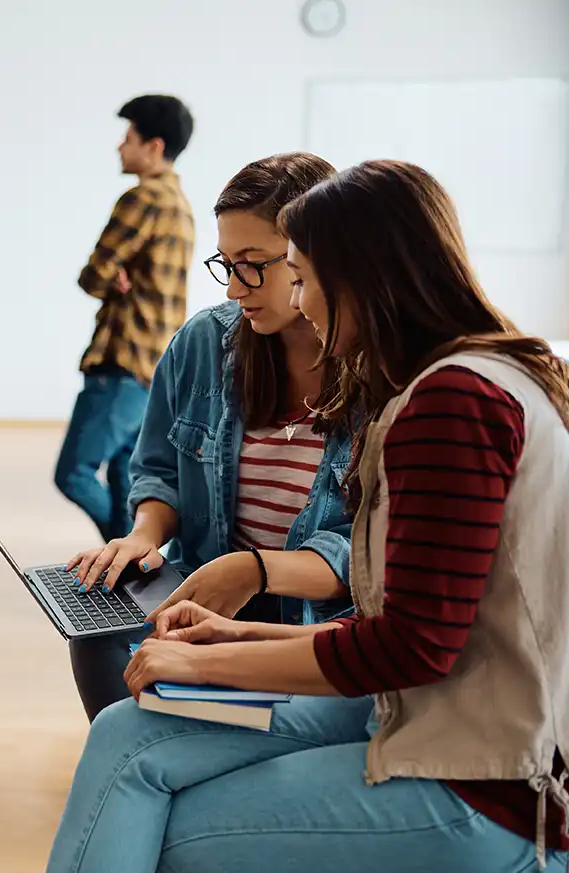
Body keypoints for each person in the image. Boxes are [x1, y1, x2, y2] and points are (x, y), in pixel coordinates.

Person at [21, 159, 569, 873]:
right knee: (125, 740)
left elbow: (408, 648)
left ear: (358, 276)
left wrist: (212, 661)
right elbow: (409, 635)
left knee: (149, 831)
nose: (305, 304)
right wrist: (231, 640)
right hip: (455, 747)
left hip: (498, 809)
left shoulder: (450, 402)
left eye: (306, 274)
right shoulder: (479, 379)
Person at [63, 153, 354, 719]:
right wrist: (144, 534)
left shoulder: (377, 374)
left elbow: (365, 555)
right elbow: (160, 470)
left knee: (137, 745)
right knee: (95, 628)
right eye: (226, 262)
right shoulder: (205, 343)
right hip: (202, 613)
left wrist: (257, 570)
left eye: (254, 264)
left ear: (310, 258)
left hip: (313, 632)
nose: (234, 289)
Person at [56, 94, 195, 543]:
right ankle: (126, 587)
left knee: (73, 472)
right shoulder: (181, 204)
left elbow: (93, 275)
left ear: (154, 146)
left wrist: (110, 276)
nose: (120, 146)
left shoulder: (143, 198)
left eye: (128, 137)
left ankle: (126, 560)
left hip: (121, 363)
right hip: (154, 370)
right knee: (123, 480)